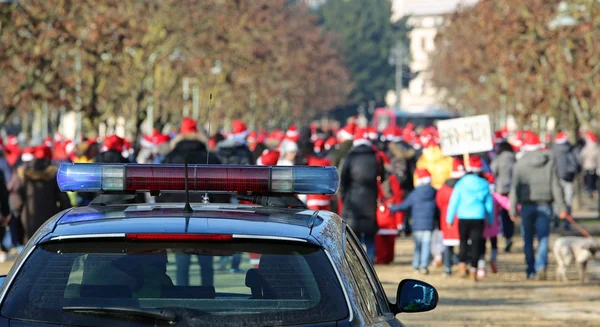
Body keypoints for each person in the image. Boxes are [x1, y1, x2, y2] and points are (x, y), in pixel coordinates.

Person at [156, 117, 224, 286]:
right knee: (206, 265)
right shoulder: (210, 157)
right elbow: (222, 193)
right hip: (207, 218)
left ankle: (182, 298)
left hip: (177, 217)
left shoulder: (170, 157)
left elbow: (161, 193)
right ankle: (209, 297)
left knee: (182, 264)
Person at [509, 131, 567, 280]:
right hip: (545, 205)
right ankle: (541, 266)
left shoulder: (519, 164)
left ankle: (530, 269)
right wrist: (562, 208)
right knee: (543, 237)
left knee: (527, 239)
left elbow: (514, 188)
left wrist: (512, 208)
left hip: (527, 206)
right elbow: (556, 186)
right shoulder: (548, 162)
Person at [446, 155, 494, 281]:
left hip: (464, 216)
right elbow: (489, 204)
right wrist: (490, 219)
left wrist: (449, 218)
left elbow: (454, 201)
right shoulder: (484, 184)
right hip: (478, 217)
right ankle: (474, 269)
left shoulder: (461, 183)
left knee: (463, 242)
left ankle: (462, 265)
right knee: (476, 244)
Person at [9, 145, 71, 242]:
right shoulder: (53, 175)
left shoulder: (23, 175)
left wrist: (18, 212)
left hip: (28, 219)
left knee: (31, 249)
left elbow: (16, 201)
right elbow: (64, 200)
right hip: (50, 219)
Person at [339, 127, 383, 263]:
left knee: (353, 235)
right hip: (370, 200)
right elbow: (383, 177)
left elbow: (343, 179)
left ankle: (353, 261)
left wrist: (344, 196)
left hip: (353, 200)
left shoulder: (350, 156)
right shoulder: (376, 157)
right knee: (369, 234)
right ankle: (370, 259)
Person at [390, 169, 438, 274]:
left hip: (417, 224)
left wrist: (392, 208)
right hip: (429, 224)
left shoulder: (415, 193)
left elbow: (405, 205)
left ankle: (416, 265)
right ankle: (424, 266)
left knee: (418, 246)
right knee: (426, 245)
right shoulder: (434, 192)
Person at [436, 158, 465, 277]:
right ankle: (462, 264)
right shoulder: (464, 184)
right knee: (463, 243)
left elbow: (439, 201)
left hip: (447, 217)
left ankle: (448, 267)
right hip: (462, 216)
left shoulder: (444, 187)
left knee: (448, 245)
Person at [551, 131, 580, 231]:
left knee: (556, 201)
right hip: (569, 178)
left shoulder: (553, 149)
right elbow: (577, 162)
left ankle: (556, 222)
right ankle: (567, 223)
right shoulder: (571, 149)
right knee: (568, 201)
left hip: (556, 178)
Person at [490, 140, 516, 252]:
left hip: (501, 190)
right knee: (511, 213)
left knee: (501, 215)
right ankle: (509, 236)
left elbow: (493, 171)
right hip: (513, 190)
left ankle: (504, 234)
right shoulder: (514, 158)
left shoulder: (498, 159)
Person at [579, 131, 599, 200]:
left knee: (590, 181)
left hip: (589, 167)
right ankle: (591, 192)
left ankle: (590, 192)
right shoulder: (595, 148)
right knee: (591, 181)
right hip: (592, 167)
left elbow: (582, 156)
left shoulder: (587, 148)